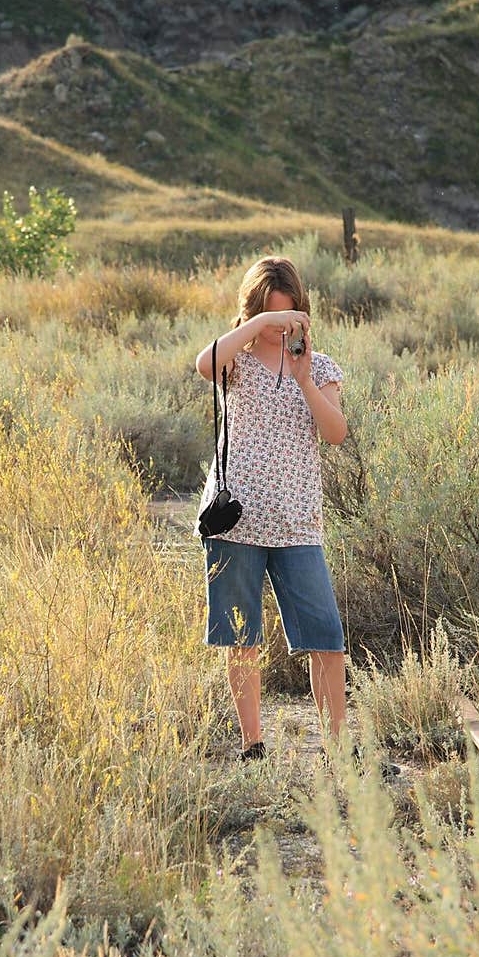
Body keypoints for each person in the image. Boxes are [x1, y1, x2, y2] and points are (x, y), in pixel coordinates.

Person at [194, 254, 349, 763]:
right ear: (255, 311)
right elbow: (203, 364)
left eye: (288, 318)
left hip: (298, 521)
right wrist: (255, 326)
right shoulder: (235, 357)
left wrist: (304, 379)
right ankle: (253, 745)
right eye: (270, 317)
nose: (278, 330)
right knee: (242, 634)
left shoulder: (319, 367)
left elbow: (335, 434)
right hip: (236, 520)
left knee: (326, 636)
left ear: (302, 315)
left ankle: (336, 748)